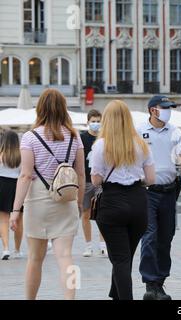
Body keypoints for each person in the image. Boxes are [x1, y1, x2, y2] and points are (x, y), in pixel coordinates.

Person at [9, 88, 85, 300]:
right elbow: (80, 173)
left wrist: (16, 210)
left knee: (34, 258)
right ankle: (70, 298)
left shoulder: (30, 138)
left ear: (40, 108)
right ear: (63, 108)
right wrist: (79, 203)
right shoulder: (74, 136)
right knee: (66, 257)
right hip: (66, 198)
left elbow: (25, 175)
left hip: (38, 200)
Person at [90, 100, 155, 300]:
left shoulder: (101, 145)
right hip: (138, 202)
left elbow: (95, 180)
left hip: (112, 203)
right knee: (125, 258)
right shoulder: (141, 144)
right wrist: (136, 182)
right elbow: (151, 179)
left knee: (120, 259)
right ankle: (115, 294)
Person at [138, 96, 181, 300]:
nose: (169, 111)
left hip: (169, 192)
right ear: (153, 110)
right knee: (150, 236)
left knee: (166, 238)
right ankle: (150, 283)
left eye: (170, 108)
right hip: (147, 192)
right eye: (165, 108)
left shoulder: (175, 131)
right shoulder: (139, 130)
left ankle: (160, 283)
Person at [80, 109, 107, 257]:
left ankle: (103, 244)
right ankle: (88, 245)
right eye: (93, 121)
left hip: (102, 181)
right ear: (88, 122)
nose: (96, 124)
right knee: (86, 213)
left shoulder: (105, 138)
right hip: (86, 180)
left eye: (98, 121)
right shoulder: (82, 138)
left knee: (102, 213)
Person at [0, 131, 23, 260]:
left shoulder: (1, 155)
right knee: (19, 219)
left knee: (3, 218)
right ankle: (17, 250)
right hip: (17, 186)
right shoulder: (21, 156)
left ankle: (5, 249)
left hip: (2, 186)